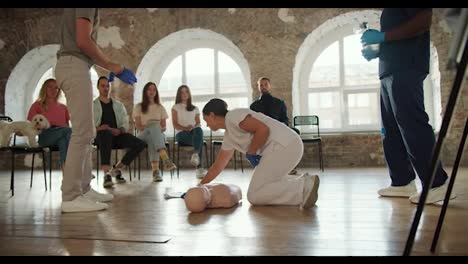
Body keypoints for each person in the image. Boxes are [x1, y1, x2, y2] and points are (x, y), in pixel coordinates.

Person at [361, 8, 456, 204]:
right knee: (390, 130)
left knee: (411, 124)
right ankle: (402, 182)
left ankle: (436, 184)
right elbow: (398, 37)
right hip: (389, 69)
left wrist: (383, 36)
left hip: (406, 67)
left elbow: (423, 21)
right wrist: (379, 50)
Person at [55, 8, 137, 213]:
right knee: (82, 132)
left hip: (76, 65)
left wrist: (109, 66)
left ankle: (84, 188)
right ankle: (71, 196)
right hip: (74, 65)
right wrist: (113, 66)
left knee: (88, 132)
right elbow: (83, 40)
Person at [200, 98, 320, 209]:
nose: (206, 124)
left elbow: (263, 129)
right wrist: (200, 187)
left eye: (206, 120)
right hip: (282, 147)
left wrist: (251, 152)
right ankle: (303, 183)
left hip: (285, 145)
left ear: (212, 115)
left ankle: (302, 186)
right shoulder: (229, 137)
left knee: (254, 194)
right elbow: (217, 167)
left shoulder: (233, 116)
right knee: (262, 186)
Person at [94, 76, 146, 188]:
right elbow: (88, 126)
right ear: (98, 87)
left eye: (107, 85)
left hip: (116, 135)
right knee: (105, 134)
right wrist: (100, 128)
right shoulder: (92, 106)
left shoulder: (118, 105)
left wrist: (120, 130)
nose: (105, 88)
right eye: (102, 86)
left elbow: (125, 122)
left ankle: (116, 169)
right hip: (100, 136)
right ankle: (106, 175)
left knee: (140, 144)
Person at [250, 77, 300, 174]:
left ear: (270, 86)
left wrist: (281, 127)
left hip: (278, 129)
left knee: (295, 132)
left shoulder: (279, 103)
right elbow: (253, 123)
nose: (263, 87)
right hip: (262, 131)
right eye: (261, 85)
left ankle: (289, 166)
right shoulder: (254, 106)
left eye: (265, 84)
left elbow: (285, 119)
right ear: (258, 87)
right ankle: (266, 167)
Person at [133, 82, 176, 182]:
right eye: (149, 89)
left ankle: (156, 171)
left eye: (154, 90)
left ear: (156, 92)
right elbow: (138, 126)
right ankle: (164, 160)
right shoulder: (139, 107)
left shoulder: (160, 107)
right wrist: (149, 125)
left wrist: (156, 128)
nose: (152, 92)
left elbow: (164, 127)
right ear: (145, 92)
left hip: (158, 135)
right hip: (143, 135)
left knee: (153, 136)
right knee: (153, 128)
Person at [27, 78, 71, 167]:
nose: (53, 90)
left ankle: (66, 172)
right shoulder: (37, 105)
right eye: (50, 87)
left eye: (56, 88)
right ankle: (81, 165)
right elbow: (31, 125)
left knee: (63, 141)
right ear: (44, 89)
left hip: (61, 134)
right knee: (69, 131)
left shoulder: (63, 107)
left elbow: (66, 125)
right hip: (45, 135)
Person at [171, 85, 206, 179]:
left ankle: (195, 154)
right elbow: (175, 124)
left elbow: (198, 123)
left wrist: (192, 127)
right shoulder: (175, 107)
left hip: (193, 132)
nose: (184, 94)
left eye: (186, 91)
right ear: (179, 94)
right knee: (199, 141)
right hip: (181, 134)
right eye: (182, 92)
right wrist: (185, 128)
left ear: (189, 94)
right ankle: (199, 168)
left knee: (199, 131)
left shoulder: (195, 108)